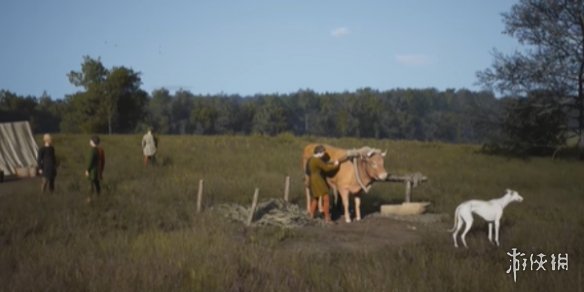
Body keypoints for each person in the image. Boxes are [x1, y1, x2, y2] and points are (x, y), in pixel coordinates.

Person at [306, 145, 341, 223]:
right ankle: (327, 217)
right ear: (319, 152)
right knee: (326, 197)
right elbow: (326, 168)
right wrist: (336, 165)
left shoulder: (311, 159)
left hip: (313, 179)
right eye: (323, 153)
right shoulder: (317, 160)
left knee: (315, 198)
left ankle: (311, 215)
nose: (324, 155)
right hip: (318, 179)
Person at [85, 135, 105, 202]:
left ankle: (89, 198)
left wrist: (87, 169)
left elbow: (90, 161)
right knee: (97, 184)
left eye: (90, 140)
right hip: (97, 170)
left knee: (91, 185)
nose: (89, 141)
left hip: (93, 171)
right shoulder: (98, 150)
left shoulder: (92, 150)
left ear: (93, 142)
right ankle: (99, 196)